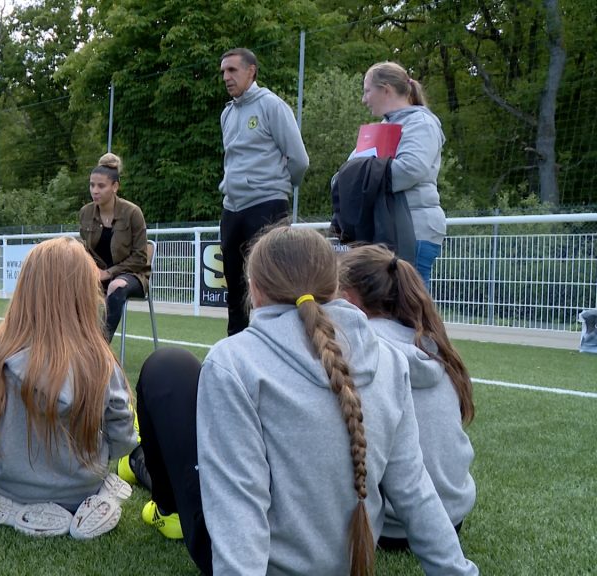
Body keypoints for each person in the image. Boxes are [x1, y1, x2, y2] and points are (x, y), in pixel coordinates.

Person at [136, 227, 477, 576]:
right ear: (335, 287)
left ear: (254, 287)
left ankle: (159, 498)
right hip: (353, 560)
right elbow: (415, 490)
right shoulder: (390, 359)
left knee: (168, 370)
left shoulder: (234, 361)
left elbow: (239, 503)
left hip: (262, 562)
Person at [0, 237, 137, 539]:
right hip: (82, 487)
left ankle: (14, 510)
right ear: (85, 294)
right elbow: (123, 438)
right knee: (107, 481)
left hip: (10, 485)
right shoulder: (99, 360)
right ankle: (98, 502)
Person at [338, 243, 476, 548]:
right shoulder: (430, 345)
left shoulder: (357, 350)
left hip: (393, 526)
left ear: (348, 301)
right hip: (451, 517)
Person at [218, 47, 309, 336]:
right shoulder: (226, 114)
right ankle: (235, 349)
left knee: (273, 284)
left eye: (232, 70)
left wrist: (278, 187)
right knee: (235, 289)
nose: (226, 77)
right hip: (232, 209)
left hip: (267, 205)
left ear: (251, 71)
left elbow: (299, 159)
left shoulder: (272, 106)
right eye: (223, 72)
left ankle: (281, 344)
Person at [361, 61, 446, 288]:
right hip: (390, 228)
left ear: (386, 89)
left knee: (411, 310)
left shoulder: (421, 123)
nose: (364, 99)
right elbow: (349, 173)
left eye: (367, 91)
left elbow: (411, 169)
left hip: (415, 229)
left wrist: (362, 181)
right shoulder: (382, 127)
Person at [78, 153, 150, 342]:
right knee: (67, 283)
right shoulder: (85, 213)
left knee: (116, 286)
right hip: (97, 274)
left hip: (132, 275)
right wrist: (90, 270)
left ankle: (100, 348)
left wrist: (109, 273)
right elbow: (85, 250)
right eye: (92, 185)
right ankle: (68, 343)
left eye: (101, 186)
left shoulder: (133, 213)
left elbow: (140, 258)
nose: (95, 190)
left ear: (115, 187)